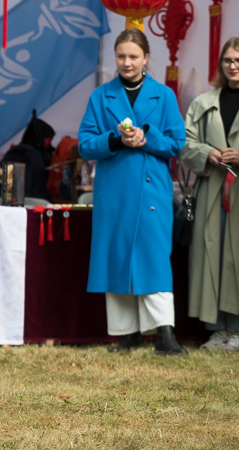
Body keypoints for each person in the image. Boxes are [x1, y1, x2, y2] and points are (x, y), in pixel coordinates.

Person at [78, 29, 187, 355]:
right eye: (121, 56)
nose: (127, 62)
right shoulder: (100, 96)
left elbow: (177, 143)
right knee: (117, 258)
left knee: (155, 259)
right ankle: (128, 334)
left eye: (134, 56)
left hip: (153, 193)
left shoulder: (164, 95)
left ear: (146, 58)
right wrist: (115, 139)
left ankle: (165, 334)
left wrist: (147, 137)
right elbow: (85, 144)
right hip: (114, 193)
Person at [181, 36, 239, 350]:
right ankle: (217, 330)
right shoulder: (203, 103)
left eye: (238, 61)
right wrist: (207, 153)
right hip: (211, 192)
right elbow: (185, 143)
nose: (233, 66)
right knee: (211, 256)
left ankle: (237, 330)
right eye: (228, 60)